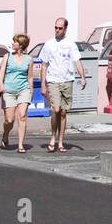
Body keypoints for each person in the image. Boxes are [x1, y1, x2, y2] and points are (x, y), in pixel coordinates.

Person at [39, 17, 86, 152]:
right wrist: (43, 84)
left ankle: (60, 141)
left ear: (65, 29)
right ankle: (53, 136)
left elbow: (77, 61)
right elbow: (44, 65)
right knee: (56, 109)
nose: (57, 30)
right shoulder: (49, 44)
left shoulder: (70, 44)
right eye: (55, 28)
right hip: (53, 81)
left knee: (64, 112)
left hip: (67, 80)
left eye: (60, 28)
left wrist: (82, 77)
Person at [0, 34, 33, 153]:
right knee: (10, 120)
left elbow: (30, 77)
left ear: (21, 45)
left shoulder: (29, 59)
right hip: (9, 91)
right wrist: (1, 85)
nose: (12, 44)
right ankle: (5, 134)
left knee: (22, 116)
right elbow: (1, 72)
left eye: (15, 42)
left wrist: (31, 91)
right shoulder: (7, 57)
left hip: (24, 90)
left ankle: (20, 145)